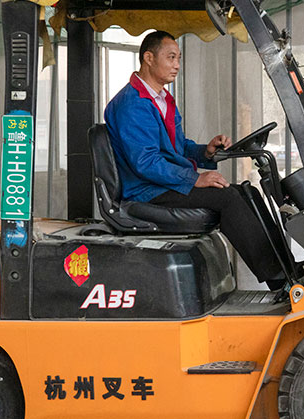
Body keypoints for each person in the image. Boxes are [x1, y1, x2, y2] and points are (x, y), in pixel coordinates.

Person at [104, 30, 283, 286]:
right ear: (149, 58)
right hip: (146, 190)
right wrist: (194, 179)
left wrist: (205, 152)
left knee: (248, 192)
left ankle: (287, 270)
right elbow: (145, 162)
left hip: (163, 183)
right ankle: (278, 278)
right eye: (171, 57)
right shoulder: (132, 103)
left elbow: (176, 148)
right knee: (228, 198)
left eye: (179, 58)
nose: (177, 64)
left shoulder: (162, 99)